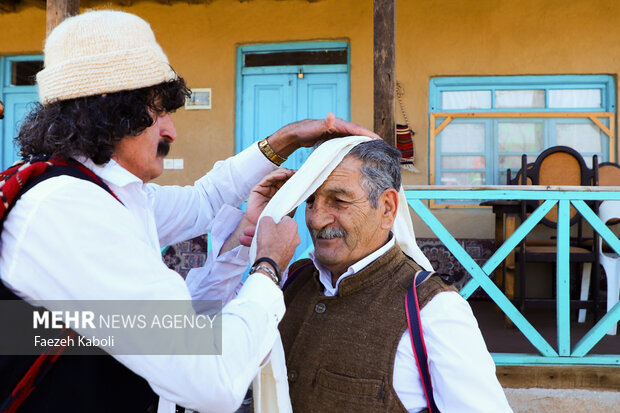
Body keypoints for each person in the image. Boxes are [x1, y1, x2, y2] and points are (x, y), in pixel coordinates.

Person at [0, 9, 378, 413]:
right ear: (109, 111)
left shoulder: (109, 195)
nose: (171, 132)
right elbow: (210, 379)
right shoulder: (70, 211)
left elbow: (203, 201)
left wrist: (285, 140)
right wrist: (268, 268)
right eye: (158, 111)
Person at [276, 139, 513, 412]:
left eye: (338, 201)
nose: (315, 219)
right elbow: (214, 357)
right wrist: (241, 238)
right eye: (310, 201)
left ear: (387, 208)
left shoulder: (434, 310)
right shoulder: (287, 282)